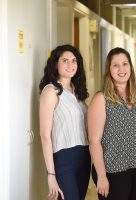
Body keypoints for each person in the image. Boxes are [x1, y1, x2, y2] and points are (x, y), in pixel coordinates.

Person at [88, 47, 136, 200]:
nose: (121, 69)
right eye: (115, 65)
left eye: (125, 64)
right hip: (113, 170)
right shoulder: (101, 99)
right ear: (109, 69)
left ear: (130, 67)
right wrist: (101, 176)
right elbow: (94, 141)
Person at [39, 44, 91, 200]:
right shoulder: (51, 91)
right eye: (65, 60)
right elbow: (44, 135)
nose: (70, 65)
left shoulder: (77, 91)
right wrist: (51, 174)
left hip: (84, 157)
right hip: (63, 160)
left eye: (74, 61)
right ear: (55, 64)